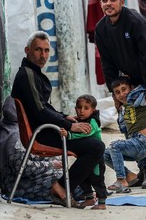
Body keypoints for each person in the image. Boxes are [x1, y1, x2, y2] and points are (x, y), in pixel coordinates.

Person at [11, 31, 105, 207]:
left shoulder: (34, 73)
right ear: (27, 50)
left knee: (92, 140)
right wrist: (69, 126)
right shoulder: (28, 75)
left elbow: (44, 107)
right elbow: (40, 112)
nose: (43, 55)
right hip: (42, 134)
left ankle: (85, 191)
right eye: (38, 50)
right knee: (96, 147)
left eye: (47, 51)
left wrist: (64, 116)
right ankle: (61, 187)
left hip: (46, 128)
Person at [94, 0, 146, 189]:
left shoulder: (136, 22)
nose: (108, 4)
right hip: (132, 80)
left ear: (122, 1)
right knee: (132, 124)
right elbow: (107, 64)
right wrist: (115, 95)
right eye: (104, 0)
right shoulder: (101, 29)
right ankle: (138, 170)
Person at [0, 96, 63, 201]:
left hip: (21, 180)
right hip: (17, 186)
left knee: (66, 175)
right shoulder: (14, 136)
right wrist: (51, 164)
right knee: (65, 181)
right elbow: (24, 168)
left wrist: (50, 160)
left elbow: (28, 156)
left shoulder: (10, 127)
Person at [104, 77, 146, 192]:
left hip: (142, 143)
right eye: (117, 92)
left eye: (124, 89)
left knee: (115, 146)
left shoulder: (139, 100)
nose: (122, 94)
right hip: (133, 145)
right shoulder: (122, 109)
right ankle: (130, 176)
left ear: (131, 88)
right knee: (103, 154)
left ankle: (121, 179)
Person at [65, 95, 108, 210]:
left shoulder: (93, 121)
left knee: (97, 179)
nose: (82, 111)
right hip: (84, 155)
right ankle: (89, 198)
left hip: (96, 158)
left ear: (93, 110)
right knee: (84, 177)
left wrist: (69, 135)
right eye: (79, 107)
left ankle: (102, 202)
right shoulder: (78, 120)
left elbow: (86, 132)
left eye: (86, 108)